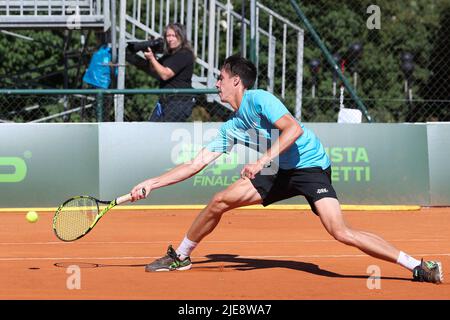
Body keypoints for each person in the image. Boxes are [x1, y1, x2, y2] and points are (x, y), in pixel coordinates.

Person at [130, 54, 443, 284]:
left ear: (236, 80)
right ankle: (181, 256)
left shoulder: (259, 99)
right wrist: (152, 183)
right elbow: (195, 164)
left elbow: (293, 130)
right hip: (276, 167)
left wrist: (261, 161)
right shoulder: (232, 126)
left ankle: (417, 265)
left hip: (309, 166)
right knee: (219, 200)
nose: (216, 83)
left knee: (339, 231)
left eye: (220, 78)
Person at [127, 23, 195, 122]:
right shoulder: (169, 55)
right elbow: (154, 69)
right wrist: (152, 55)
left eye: (174, 36)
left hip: (179, 102)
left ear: (181, 37)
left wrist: (151, 58)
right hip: (165, 101)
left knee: (164, 133)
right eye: (168, 36)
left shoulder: (185, 54)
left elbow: (165, 75)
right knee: (152, 128)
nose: (170, 39)